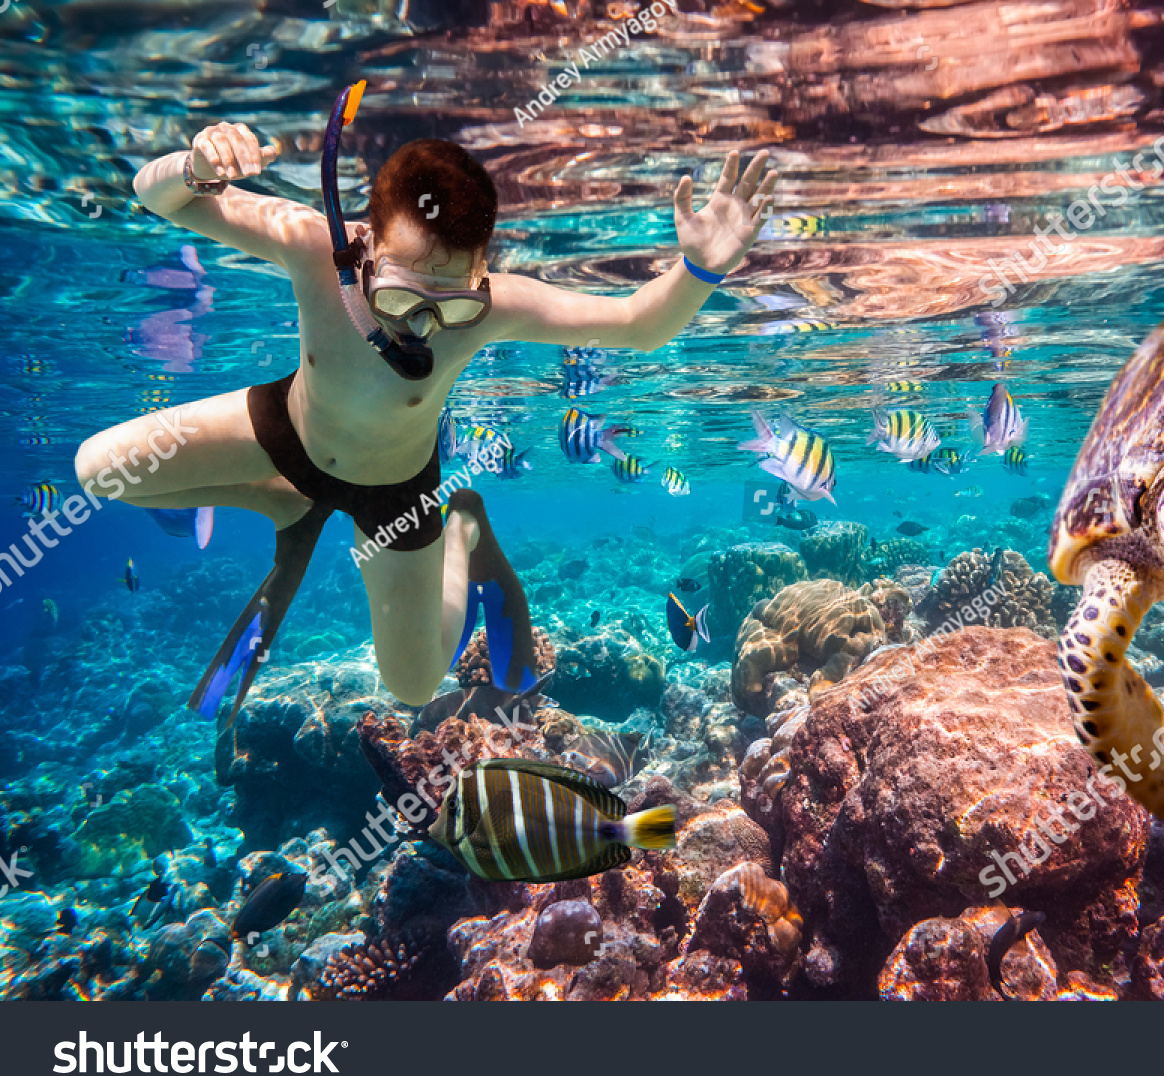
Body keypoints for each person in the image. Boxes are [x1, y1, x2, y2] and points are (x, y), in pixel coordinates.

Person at [74, 98, 777, 720]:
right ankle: (285, 496)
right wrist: (194, 167)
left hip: (399, 493)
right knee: (98, 470)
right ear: (365, 247)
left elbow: (637, 325)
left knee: (411, 686)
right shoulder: (313, 245)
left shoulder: (498, 306)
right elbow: (159, 197)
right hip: (284, 433)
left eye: (454, 304)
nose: (423, 328)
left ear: (481, 272)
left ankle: (462, 527)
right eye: (404, 299)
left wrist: (701, 267)